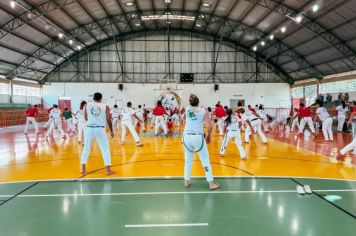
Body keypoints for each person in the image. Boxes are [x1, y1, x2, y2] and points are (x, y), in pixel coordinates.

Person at [183, 94, 219, 190]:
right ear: (198, 102)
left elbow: (185, 118)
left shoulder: (187, 109)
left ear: (190, 102)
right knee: (205, 160)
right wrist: (208, 137)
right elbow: (210, 127)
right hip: (198, 137)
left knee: (188, 160)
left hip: (186, 137)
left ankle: (186, 181)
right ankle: (211, 184)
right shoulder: (203, 111)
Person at [80, 92, 115, 175]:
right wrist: (111, 131)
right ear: (101, 99)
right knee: (105, 149)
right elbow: (108, 120)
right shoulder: (105, 107)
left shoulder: (87, 105)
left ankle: (83, 169)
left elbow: (86, 117)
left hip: (89, 129)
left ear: (93, 98)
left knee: (86, 148)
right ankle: (108, 170)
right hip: (100, 129)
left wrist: (93, 120)